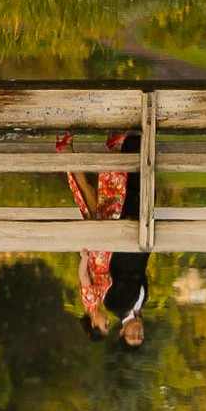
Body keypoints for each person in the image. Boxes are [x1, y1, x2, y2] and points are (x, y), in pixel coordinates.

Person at [60, 130, 150, 348]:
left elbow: (84, 275)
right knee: (91, 197)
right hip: (105, 250)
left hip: (100, 250)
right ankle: (69, 149)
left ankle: (111, 149)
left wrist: (84, 256)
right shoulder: (108, 303)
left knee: (103, 197)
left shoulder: (96, 302)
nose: (107, 322)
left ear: (93, 322)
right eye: (110, 326)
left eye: (104, 325)